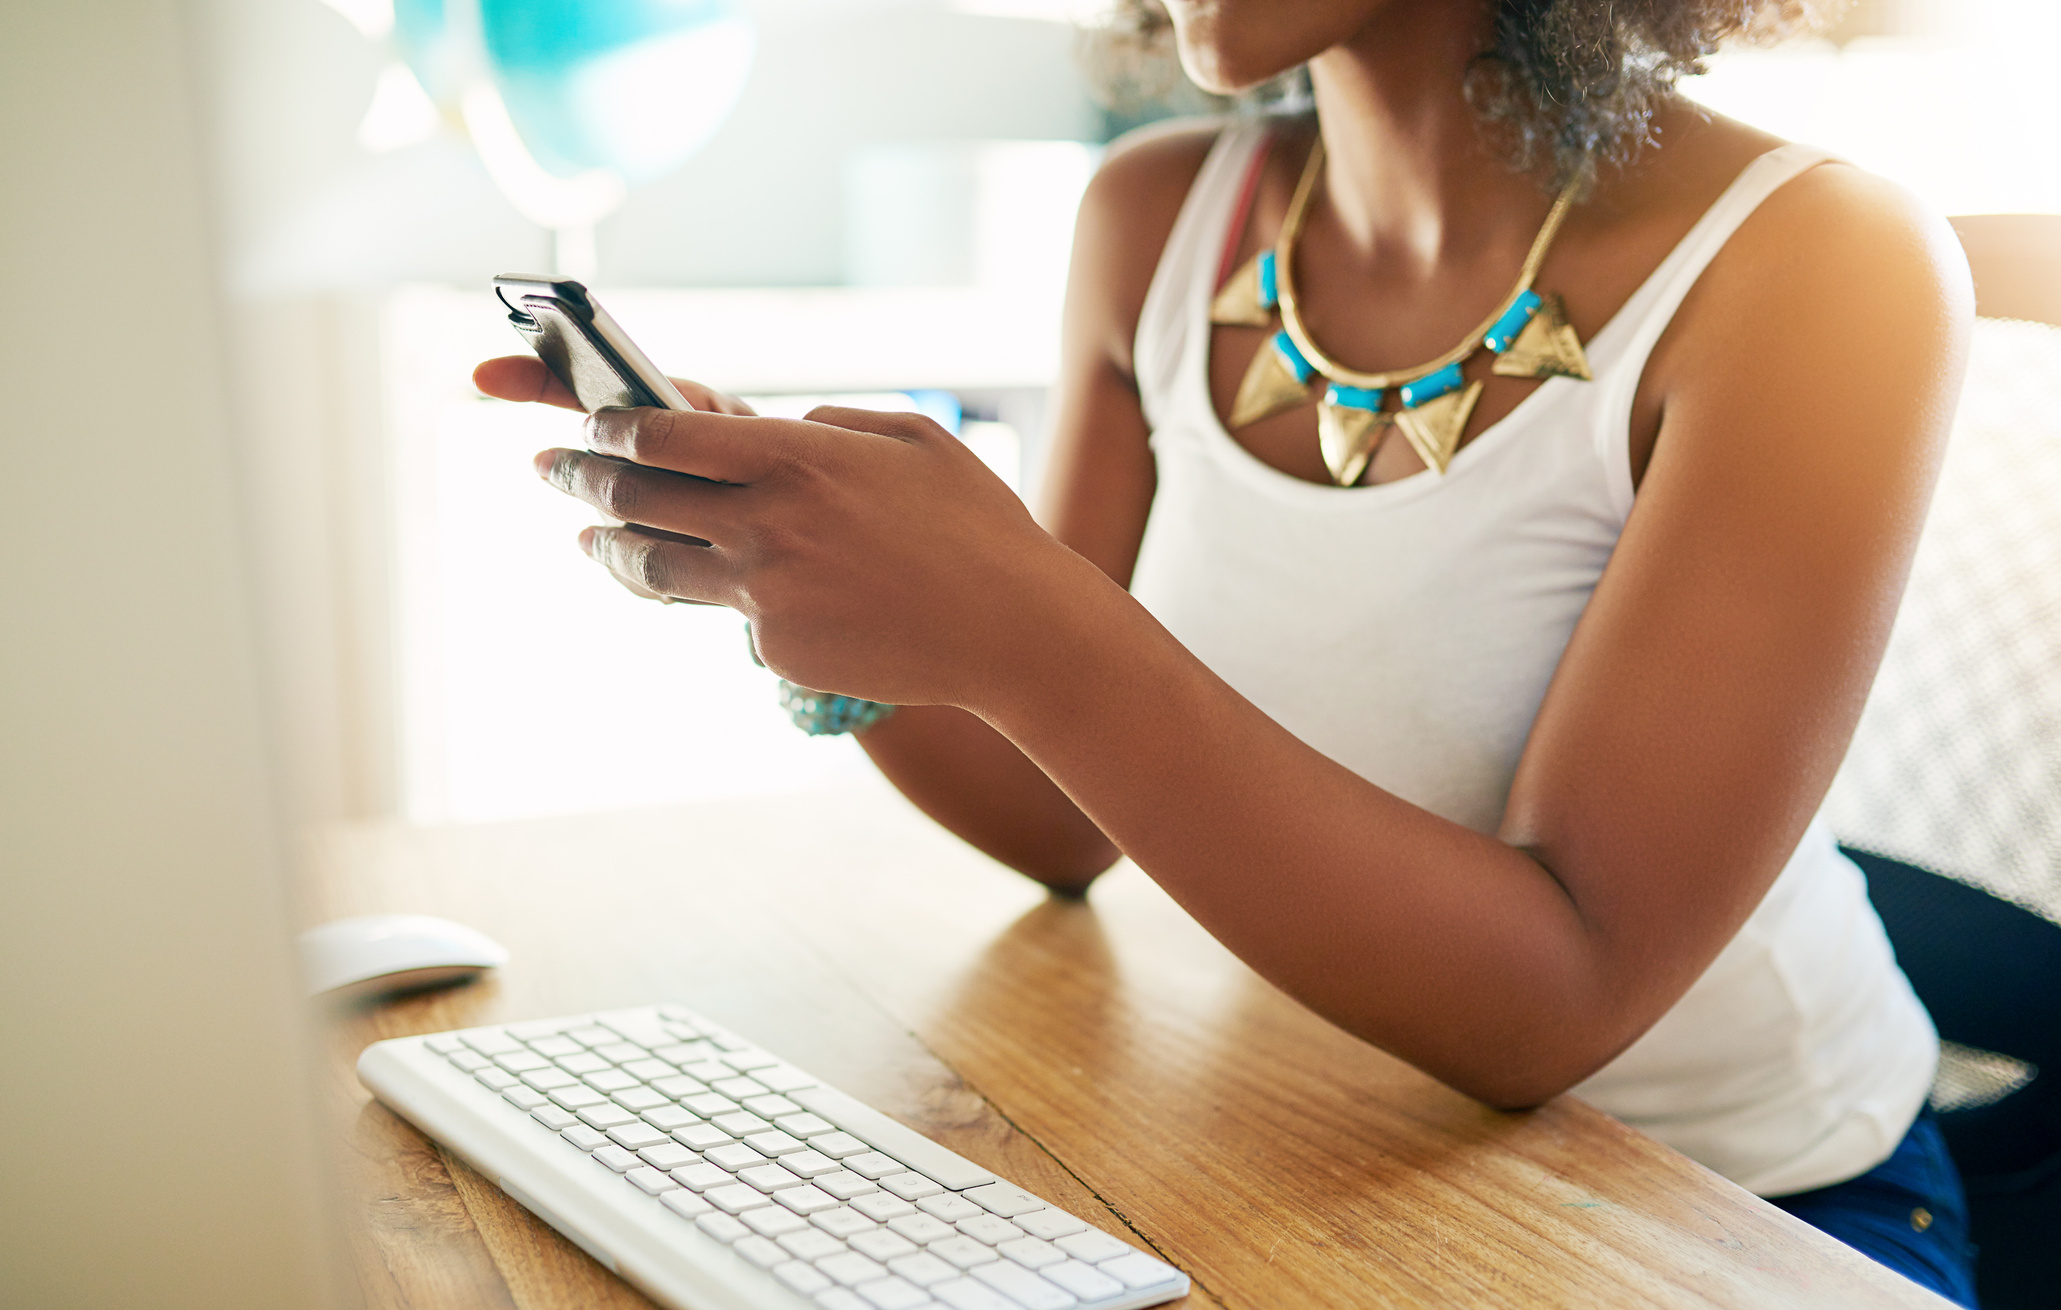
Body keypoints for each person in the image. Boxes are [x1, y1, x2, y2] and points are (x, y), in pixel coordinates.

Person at [474, 0, 1977, 1300]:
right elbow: (1056, 814)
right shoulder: (1152, 220)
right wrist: (794, 569)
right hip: (1336, 1145)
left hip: (1749, 1217)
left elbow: (1557, 997)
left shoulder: (1820, 261)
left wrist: (1024, 619)